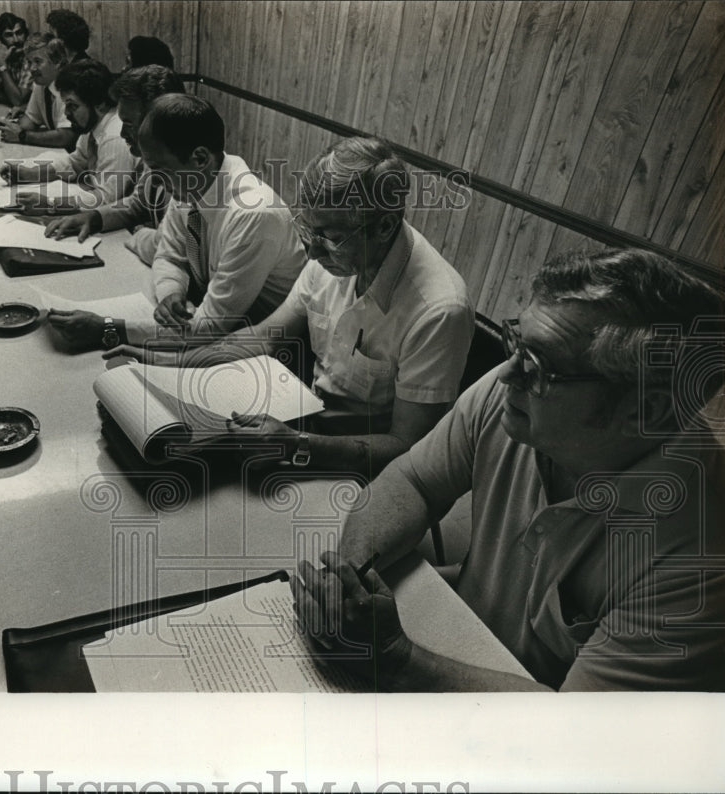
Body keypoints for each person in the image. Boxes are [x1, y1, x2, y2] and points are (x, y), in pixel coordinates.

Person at [293, 249, 725, 691]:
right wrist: (345, 579)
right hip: (458, 642)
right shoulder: (515, 402)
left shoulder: (701, 560)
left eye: (538, 364)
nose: (505, 373)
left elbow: (578, 736)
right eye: (517, 341)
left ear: (644, 409)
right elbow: (414, 482)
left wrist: (396, 659)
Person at [104, 136, 473, 476]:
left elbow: (408, 447)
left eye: (328, 237)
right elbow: (264, 337)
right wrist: (173, 363)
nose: (311, 252)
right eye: (308, 229)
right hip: (304, 426)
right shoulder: (338, 252)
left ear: (384, 226)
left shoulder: (439, 310)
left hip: (361, 465)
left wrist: (296, 446)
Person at [48, 94, 307, 351]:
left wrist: (108, 329)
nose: (157, 182)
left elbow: (209, 329)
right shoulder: (193, 181)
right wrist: (172, 293)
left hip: (268, 350)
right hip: (216, 331)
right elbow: (169, 256)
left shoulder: (253, 213)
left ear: (201, 158)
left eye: (160, 170)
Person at [44, 65, 185, 265]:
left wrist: (140, 234)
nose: (122, 134)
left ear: (161, 121)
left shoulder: (188, 174)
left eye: (129, 124)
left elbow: (164, 247)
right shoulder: (155, 160)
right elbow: (137, 203)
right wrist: (94, 218)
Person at [5, 59, 137, 207]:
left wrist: (50, 203)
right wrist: (30, 174)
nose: (67, 113)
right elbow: (74, 163)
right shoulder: (92, 125)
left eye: (72, 106)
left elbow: (106, 198)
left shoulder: (114, 137)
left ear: (99, 103)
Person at [0, 33, 76, 151]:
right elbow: (29, 121)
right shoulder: (40, 85)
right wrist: (10, 128)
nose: (32, 68)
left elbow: (66, 137)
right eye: (29, 62)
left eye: (38, 62)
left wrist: (22, 136)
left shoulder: (70, 87)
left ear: (57, 62)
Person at [0, 12, 34, 108]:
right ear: (2, 40)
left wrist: (1, 64)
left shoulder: (32, 58)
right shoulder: (9, 58)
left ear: (26, 34)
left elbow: (17, 101)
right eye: (9, 35)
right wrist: (16, 101)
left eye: (19, 33)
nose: (16, 40)